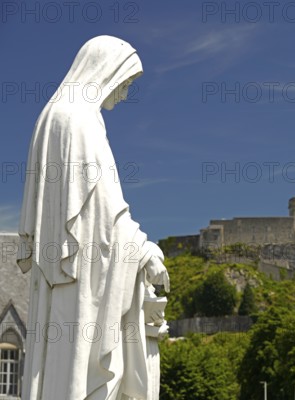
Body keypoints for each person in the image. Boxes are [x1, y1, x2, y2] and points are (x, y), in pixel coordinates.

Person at [17, 35, 170, 400]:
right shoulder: (80, 120)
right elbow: (103, 211)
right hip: (81, 272)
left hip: (61, 270)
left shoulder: (53, 115)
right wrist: (145, 252)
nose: (123, 94)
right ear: (105, 71)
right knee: (79, 366)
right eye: (125, 82)